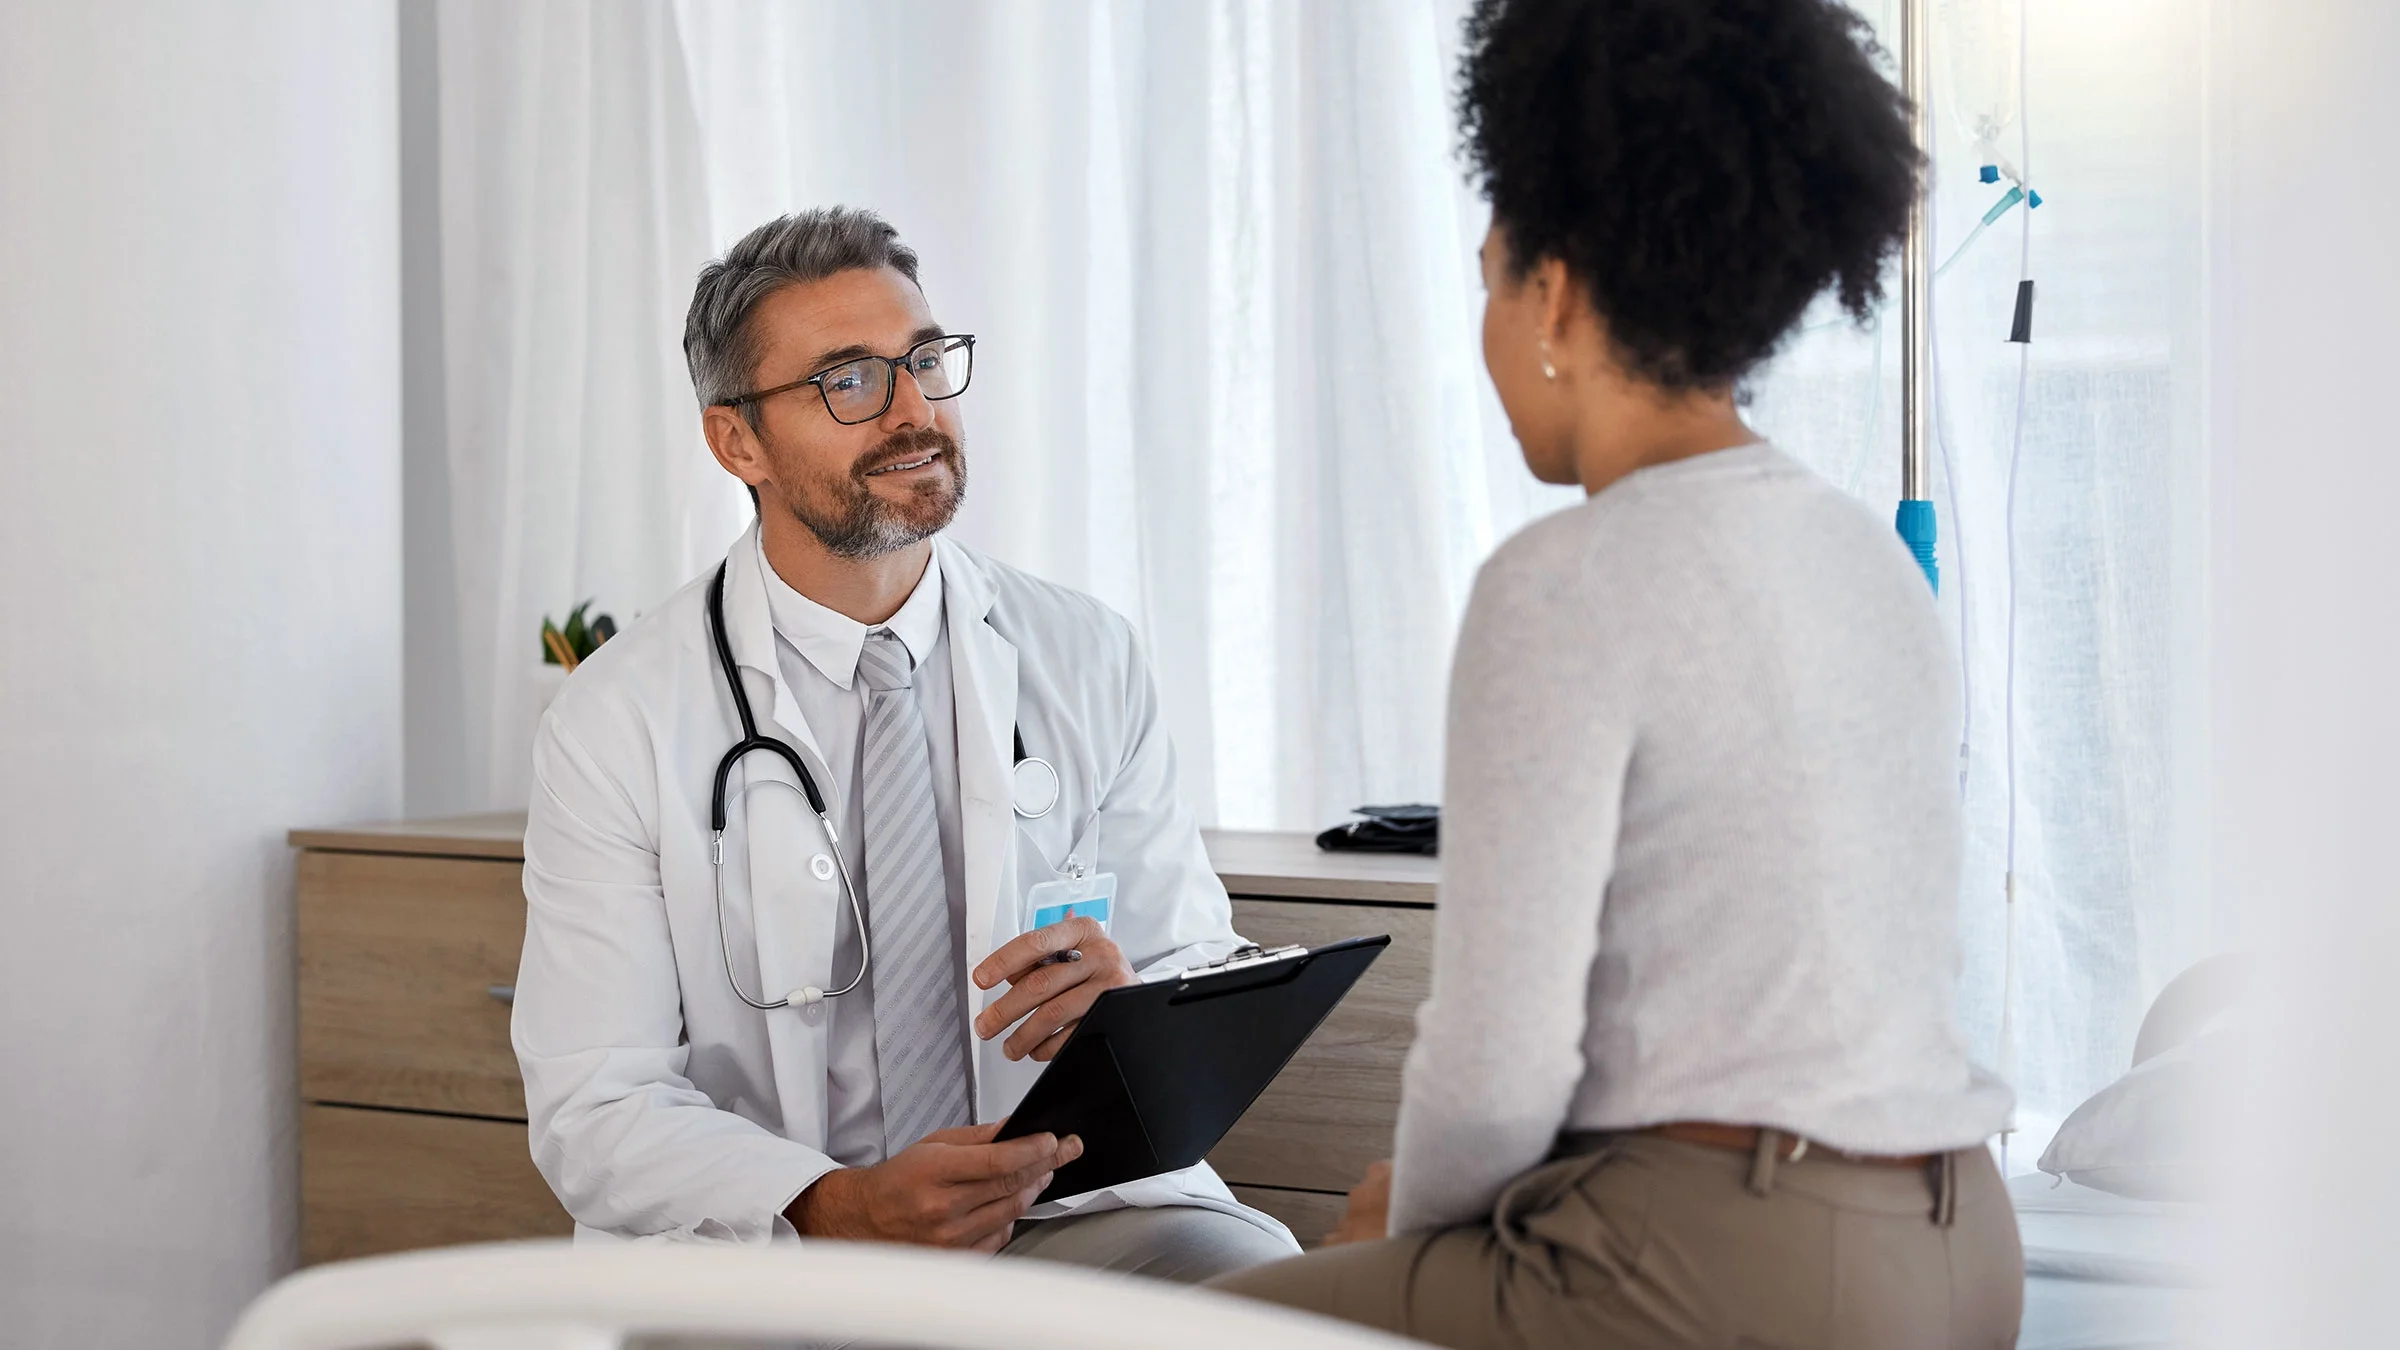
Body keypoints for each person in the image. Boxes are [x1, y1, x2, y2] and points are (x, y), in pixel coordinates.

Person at [1210, 0, 2022, 1344]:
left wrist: (1407, 1226)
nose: (1485, 328)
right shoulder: (1865, 557)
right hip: (1962, 1244)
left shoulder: (1563, 580)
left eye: (1490, 279)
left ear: (1558, 295)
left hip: (1739, 1257)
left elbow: (1496, 1059)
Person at [510, 208, 1300, 1282]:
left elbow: (1189, 964)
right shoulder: (617, 719)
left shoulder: (1086, 654)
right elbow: (597, 1102)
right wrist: (841, 1205)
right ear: (738, 441)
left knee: (1268, 1301)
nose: (914, 412)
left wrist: (1131, 1012)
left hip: (1066, 1209)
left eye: (924, 362)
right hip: (780, 1246)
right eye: (849, 381)